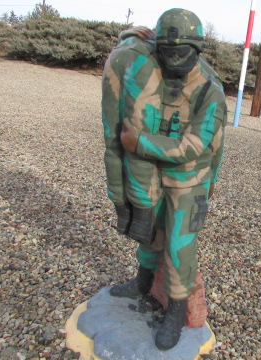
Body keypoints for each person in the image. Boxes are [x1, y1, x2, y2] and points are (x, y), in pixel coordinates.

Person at [110, 8, 227, 351]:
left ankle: (175, 311)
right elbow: (128, 55)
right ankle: (144, 282)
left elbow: (192, 146)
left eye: (183, 52)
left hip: (190, 181)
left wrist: (140, 143)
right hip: (157, 175)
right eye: (167, 51)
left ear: (197, 50)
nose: (174, 59)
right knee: (151, 233)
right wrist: (131, 33)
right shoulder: (155, 72)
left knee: (179, 247)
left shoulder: (210, 91)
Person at [102, 26, 164, 245]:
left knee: (112, 140)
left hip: (116, 60)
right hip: (141, 66)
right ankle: (141, 216)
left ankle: (121, 210)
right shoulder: (148, 52)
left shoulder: (123, 45)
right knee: (138, 142)